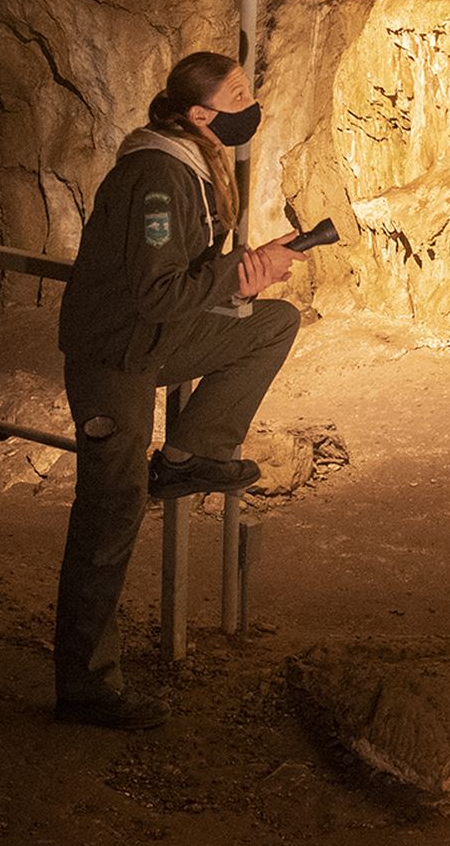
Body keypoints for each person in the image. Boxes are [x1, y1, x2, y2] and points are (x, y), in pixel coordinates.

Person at [51, 50, 303, 730]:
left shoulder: (192, 164)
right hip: (115, 359)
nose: (252, 102)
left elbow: (184, 281)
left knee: (273, 323)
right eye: (239, 93)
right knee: (110, 510)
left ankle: (190, 457)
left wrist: (247, 274)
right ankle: (86, 685)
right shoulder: (160, 174)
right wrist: (234, 276)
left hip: (149, 342)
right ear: (200, 114)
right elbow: (161, 294)